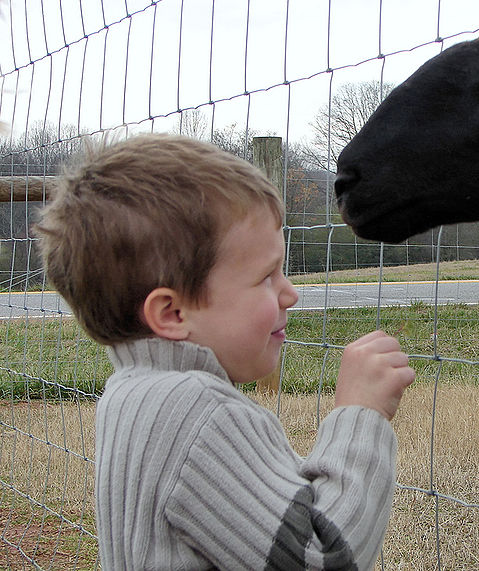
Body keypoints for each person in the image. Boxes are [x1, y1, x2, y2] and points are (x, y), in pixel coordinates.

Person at [34, 133, 415, 570]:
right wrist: (360, 415)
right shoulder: (195, 411)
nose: (289, 293)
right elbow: (324, 559)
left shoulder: (130, 395)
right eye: (266, 276)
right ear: (173, 312)